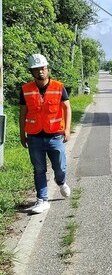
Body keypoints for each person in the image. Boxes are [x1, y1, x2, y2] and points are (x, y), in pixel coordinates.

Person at [19, 54, 72, 214]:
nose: (40, 72)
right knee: (39, 169)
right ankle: (42, 199)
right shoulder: (26, 90)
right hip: (34, 137)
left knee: (60, 167)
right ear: (32, 72)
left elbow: (67, 108)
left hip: (55, 135)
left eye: (42, 68)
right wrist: (23, 135)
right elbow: (22, 113)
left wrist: (67, 129)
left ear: (47, 69)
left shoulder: (58, 87)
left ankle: (61, 182)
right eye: (36, 69)